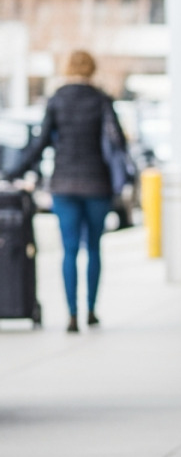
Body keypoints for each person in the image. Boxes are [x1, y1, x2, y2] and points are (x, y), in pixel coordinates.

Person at [3, 50, 128, 333]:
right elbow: (117, 141)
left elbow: (40, 143)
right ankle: (91, 311)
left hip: (64, 185)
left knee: (69, 250)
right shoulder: (102, 100)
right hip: (97, 184)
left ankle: (71, 315)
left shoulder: (57, 100)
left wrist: (14, 171)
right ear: (92, 69)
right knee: (93, 248)